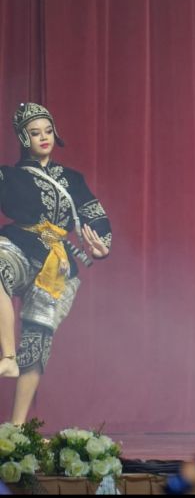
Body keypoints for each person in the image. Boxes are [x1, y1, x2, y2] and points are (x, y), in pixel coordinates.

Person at [0, 103, 111, 423]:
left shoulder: (73, 179)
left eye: (48, 131)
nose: (44, 137)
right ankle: (8, 356)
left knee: (38, 338)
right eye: (35, 133)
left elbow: (95, 215)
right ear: (24, 138)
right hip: (20, 246)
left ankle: (17, 428)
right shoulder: (8, 176)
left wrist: (102, 246)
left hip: (57, 263)